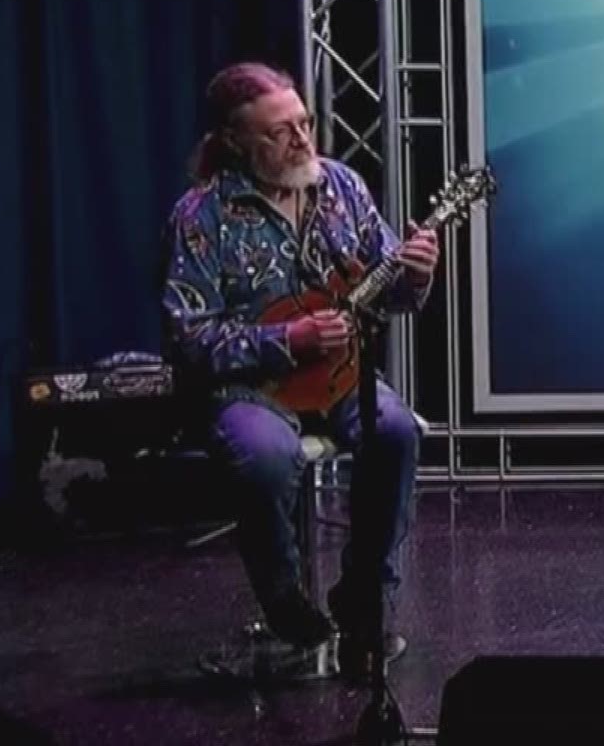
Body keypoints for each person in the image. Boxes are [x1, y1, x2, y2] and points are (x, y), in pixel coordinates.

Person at [161, 62, 435, 678]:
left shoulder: (342, 188)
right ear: (233, 142)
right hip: (248, 389)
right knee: (265, 455)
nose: (303, 140)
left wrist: (416, 273)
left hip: (340, 378)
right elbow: (189, 338)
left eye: (305, 124)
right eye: (280, 132)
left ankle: (364, 594)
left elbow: (385, 287)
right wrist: (287, 338)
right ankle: (283, 599)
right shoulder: (198, 217)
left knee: (396, 432)